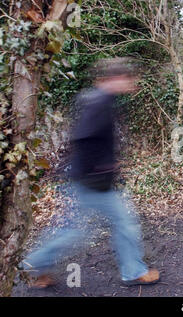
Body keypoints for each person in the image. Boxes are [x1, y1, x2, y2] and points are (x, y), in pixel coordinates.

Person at [22, 58, 160, 288]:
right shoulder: (99, 103)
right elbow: (82, 138)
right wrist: (99, 169)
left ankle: (32, 267)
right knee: (76, 231)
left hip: (92, 180)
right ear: (116, 79)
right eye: (128, 79)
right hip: (88, 182)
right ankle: (30, 267)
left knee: (116, 223)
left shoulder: (104, 100)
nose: (131, 84)